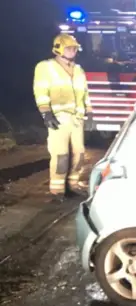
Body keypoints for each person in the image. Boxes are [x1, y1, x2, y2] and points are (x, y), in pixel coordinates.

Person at [33, 34, 93, 201]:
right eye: (69, 48)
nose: (72, 51)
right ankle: (57, 190)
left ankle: (72, 184)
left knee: (79, 153)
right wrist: (46, 112)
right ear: (58, 48)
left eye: (74, 48)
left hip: (77, 118)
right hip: (58, 117)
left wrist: (89, 111)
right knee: (61, 154)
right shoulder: (45, 67)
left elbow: (84, 92)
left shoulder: (78, 69)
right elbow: (41, 90)